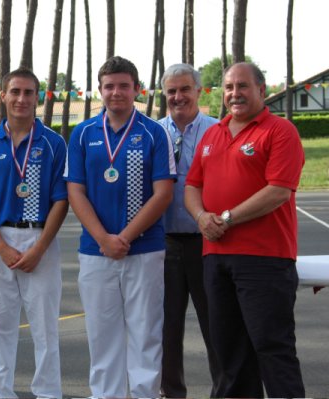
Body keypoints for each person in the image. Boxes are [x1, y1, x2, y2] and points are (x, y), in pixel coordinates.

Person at [184, 62, 305, 398]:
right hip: (216, 258)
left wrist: (226, 218)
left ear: (261, 90)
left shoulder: (280, 131)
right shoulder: (212, 134)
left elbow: (279, 190)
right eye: (228, 87)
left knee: (271, 349)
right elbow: (192, 186)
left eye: (242, 86)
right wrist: (201, 217)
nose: (234, 94)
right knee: (229, 354)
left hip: (264, 259)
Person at [64, 56, 176, 398]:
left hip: (144, 250)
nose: (116, 92)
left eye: (124, 86)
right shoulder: (82, 134)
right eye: (109, 86)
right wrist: (103, 238)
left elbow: (164, 194)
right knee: (102, 335)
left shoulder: (154, 132)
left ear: (136, 90)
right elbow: (75, 191)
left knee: (145, 334)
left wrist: (124, 238)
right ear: (99, 90)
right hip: (96, 251)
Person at [0, 68, 68, 398]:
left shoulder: (54, 143)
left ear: (38, 97)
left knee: (44, 327)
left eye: (29, 92)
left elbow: (61, 200)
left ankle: (48, 392)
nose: (22, 99)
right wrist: (1, 247)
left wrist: (39, 247)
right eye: (15, 91)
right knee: (0, 325)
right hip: (1, 241)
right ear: (3, 95)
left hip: (41, 241)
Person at [158, 63, 221, 398]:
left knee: (217, 326)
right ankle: (171, 392)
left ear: (199, 91)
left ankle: (224, 391)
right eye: (172, 91)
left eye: (185, 89)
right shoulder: (155, 133)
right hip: (164, 244)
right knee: (166, 329)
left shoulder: (219, 130)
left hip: (209, 244)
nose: (178, 97)